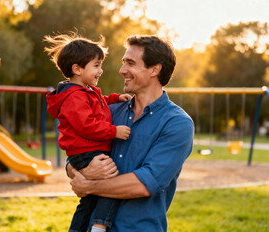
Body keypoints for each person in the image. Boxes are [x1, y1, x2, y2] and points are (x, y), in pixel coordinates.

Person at [67, 35, 194, 232]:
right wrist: (79, 170)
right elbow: (76, 153)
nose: (122, 70)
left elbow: (145, 183)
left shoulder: (177, 123)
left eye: (130, 63)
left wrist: (89, 186)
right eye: (123, 62)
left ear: (155, 69)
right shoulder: (109, 111)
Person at [44, 33, 131, 232]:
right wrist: (114, 131)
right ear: (77, 69)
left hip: (85, 151)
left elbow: (99, 104)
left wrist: (115, 98)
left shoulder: (85, 91)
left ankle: (77, 229)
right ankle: (99, 227)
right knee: (112, 186)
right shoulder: (74, 96)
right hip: (86, 151)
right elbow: (86, 125)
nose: (100, 70)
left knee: (90, 199)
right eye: (96, 65)